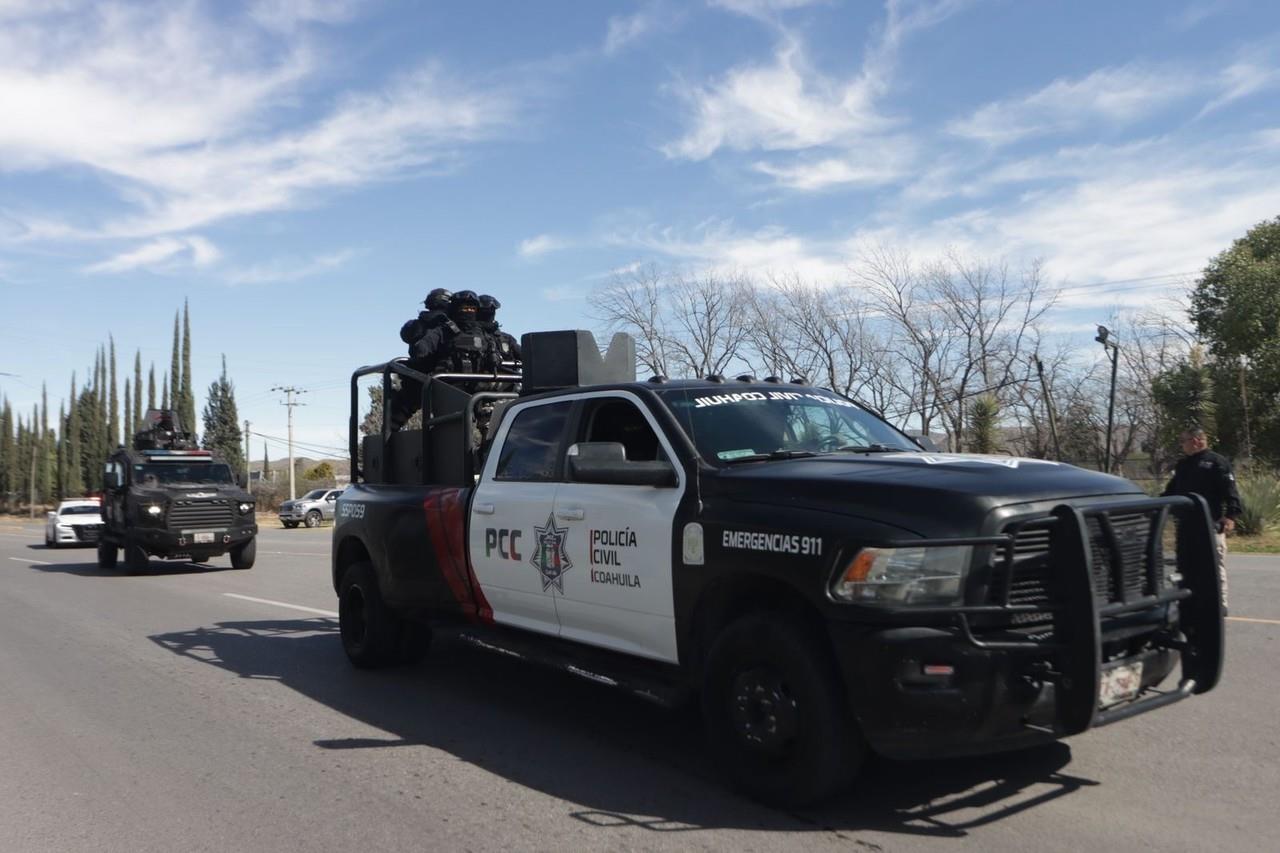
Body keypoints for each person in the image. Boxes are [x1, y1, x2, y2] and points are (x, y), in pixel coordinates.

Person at [1163, 426, 1241, 611]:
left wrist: (1230, 516)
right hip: (1186, 526)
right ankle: (1188, 603)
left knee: (1213, 566)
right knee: (1185, 566)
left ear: (1197, 441)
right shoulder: (1183, 466)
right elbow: (1170, 492)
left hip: (1209, 524)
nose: (1182, 445)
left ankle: (1219, 606)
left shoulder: (1217, 463)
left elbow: (1230, 492)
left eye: (1184, 441)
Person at [477, 294, 522, 366]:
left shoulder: (507, 339)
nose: (489, 312)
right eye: (485, 310)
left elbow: (527, 357)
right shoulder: (470, 337)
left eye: (492, 310)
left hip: (507, 376)